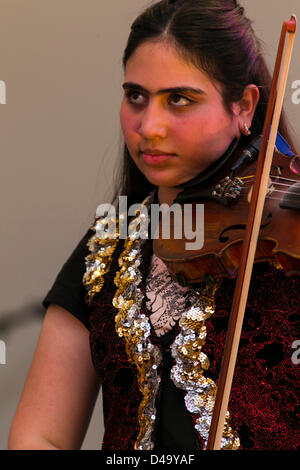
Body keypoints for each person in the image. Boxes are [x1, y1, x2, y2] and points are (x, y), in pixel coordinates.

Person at [8, 0, 300, 451]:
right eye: (136, 96)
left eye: (179, 99)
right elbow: (40, 434)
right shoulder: (107, 247)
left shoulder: (289, 245)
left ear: (243, 107)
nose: (149, 126)